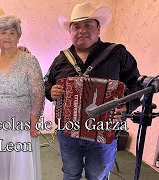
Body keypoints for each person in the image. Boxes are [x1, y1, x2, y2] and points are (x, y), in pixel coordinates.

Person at [44, 2, 140, 180]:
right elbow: (46, 84)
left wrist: (127, 105)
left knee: (97, 176)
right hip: (68, 132)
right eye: (76, 27)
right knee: (70, 174)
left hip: (103, 131)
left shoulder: (117, 54)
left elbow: (137, 84)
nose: (82, 30)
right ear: (71, 32)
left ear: (98, 29)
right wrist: (51, 91)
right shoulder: (61, 59)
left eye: (88, 25)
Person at [0, 15, 45, 180]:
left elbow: (38, 93)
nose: (7, 37)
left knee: (18, 165)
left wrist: (34, 123)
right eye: (3, 32)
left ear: (19, 36)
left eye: (12, 33)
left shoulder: (29, 60)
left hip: (20, 123)